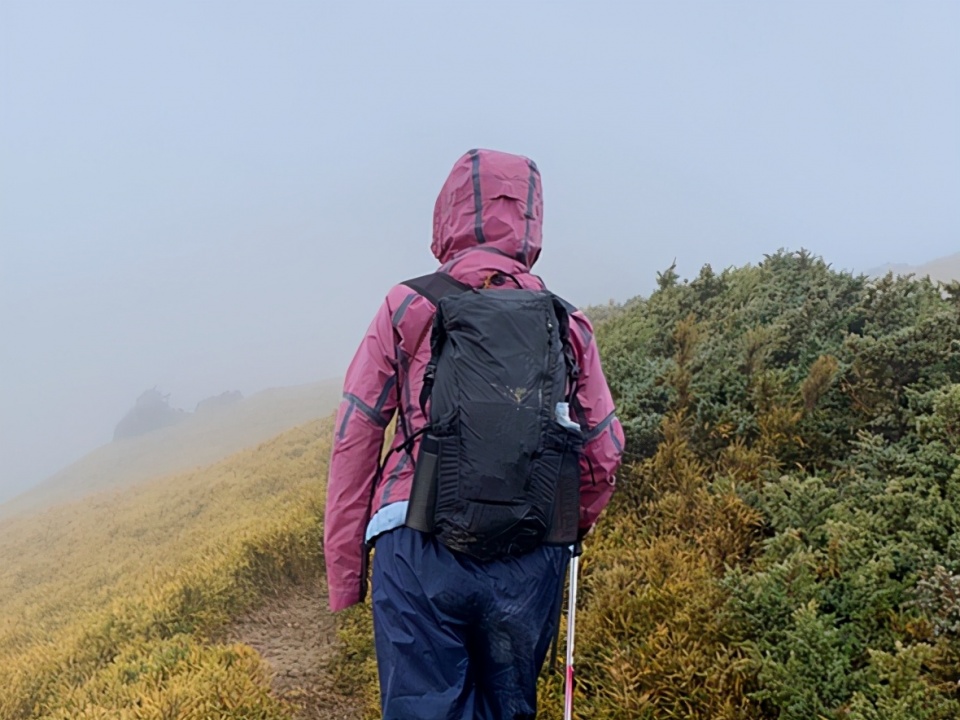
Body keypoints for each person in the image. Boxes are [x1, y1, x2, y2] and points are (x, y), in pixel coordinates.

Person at [324, 149, 623, 719]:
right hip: (528, 553)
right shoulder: (566, 322)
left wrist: (346, 572)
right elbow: (603, 453)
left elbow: (356, 434)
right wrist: (564, 527)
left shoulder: (407, 305)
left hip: (417, 542)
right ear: (533, 220)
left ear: (448, 213)